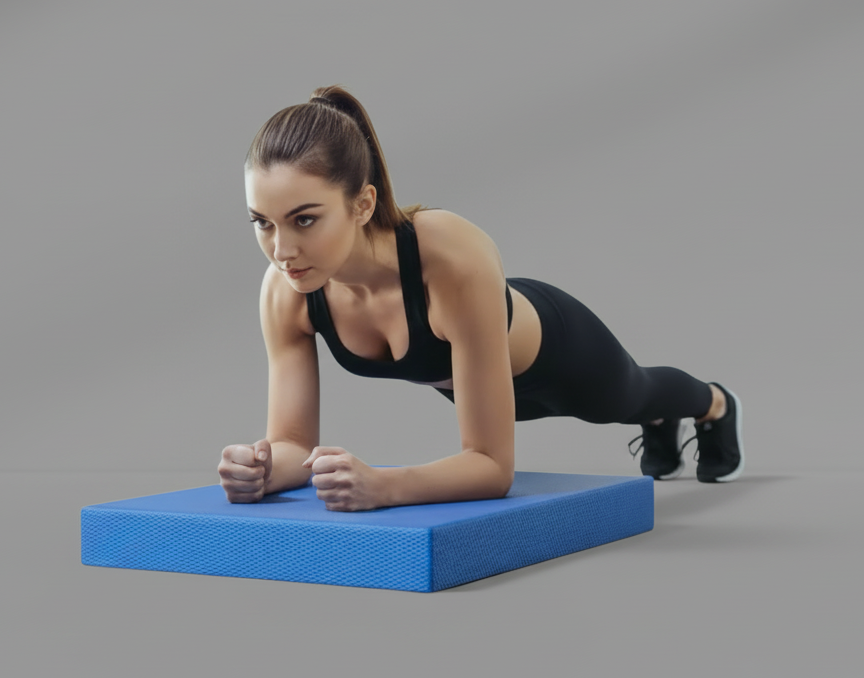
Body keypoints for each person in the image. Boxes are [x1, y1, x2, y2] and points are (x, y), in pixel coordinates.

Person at [217, 85, 744, 512]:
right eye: (262, 223)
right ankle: (663, 421)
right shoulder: (285, 292)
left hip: (559, 357)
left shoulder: (449, 254)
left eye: (305, 219)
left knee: (631, 398)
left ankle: (714, 404)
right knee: (630, 403)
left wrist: (382, 486)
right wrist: (261, 469)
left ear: (363, 204)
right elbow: (293, 444)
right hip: (474, 381)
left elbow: (492, 468)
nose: (281, 250)